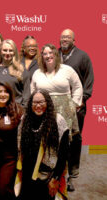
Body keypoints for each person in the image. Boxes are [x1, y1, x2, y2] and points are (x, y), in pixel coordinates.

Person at [59, 28, 94, 191]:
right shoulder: (54, 54)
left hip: (76, 107)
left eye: (68, 37)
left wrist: (81, 100)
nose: (64, 39)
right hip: (57, 106)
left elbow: (88, 81)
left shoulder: (83, 56)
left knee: (74, 140)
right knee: (57, 140)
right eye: (62, 37)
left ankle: (72, 176)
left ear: (74, 40)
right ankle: (58, 174)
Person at [17, 90, 69, 200]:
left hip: (47, 176)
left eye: (41, 102)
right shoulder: (25, 119)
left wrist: (55, 178)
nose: (38, 106)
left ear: (48, 103)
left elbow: (63, 154)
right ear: (30, 104)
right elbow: (20, 147)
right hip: (27, 173)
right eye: (35, 102)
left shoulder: (58, 121)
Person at [31, 44, 83, 140]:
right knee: (46, 138)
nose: (48, 55)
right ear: (42, 56)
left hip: (65, 109)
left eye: (50, 52)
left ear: (55, 54)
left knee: (64, 139)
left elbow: (77, 86)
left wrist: (74, 103)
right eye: (45, 53)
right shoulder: (37, 73)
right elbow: (33, 92)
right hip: (44, 109)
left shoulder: (67, 70)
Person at [0, 81, 23, 200]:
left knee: (4, 189)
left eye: (6, 91)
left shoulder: (18, 110)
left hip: (9, 158)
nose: (3, 94)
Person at [0, 39, 30, 108]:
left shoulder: (22, 70)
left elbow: (27, 96)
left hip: (15, 113)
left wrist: (22, 112)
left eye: (11, 50)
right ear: (0, 52)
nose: (8, 53)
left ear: (14, 52)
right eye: (5, 50)